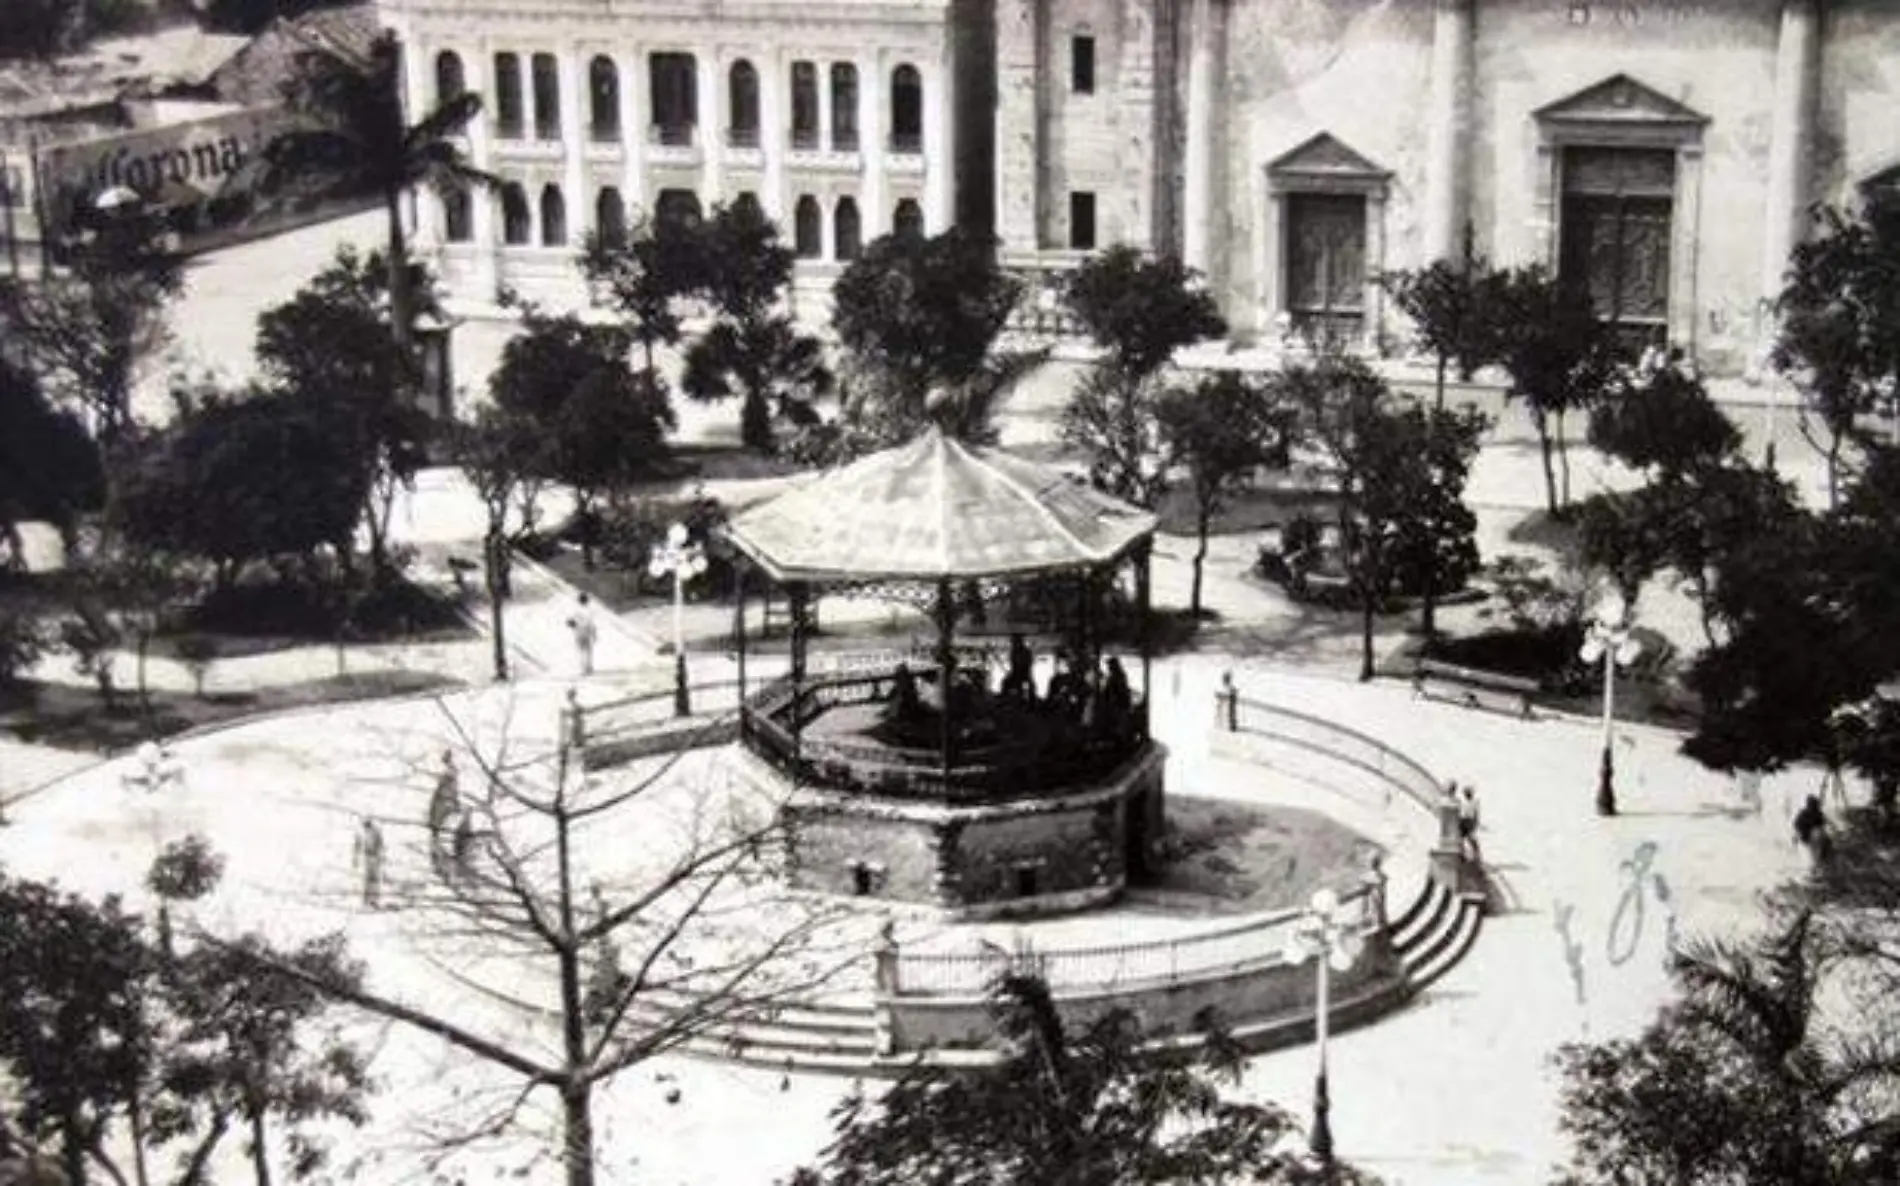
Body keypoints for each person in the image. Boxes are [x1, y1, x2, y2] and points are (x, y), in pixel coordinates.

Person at [352, 817, 385, 909]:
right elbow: (357, 846)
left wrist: (381, 856)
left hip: (374, 856)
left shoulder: (376, 831)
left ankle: (374, 899)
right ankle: (366, 899)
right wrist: (356, 858)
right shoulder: (360, 833)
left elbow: (380, 844)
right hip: (365, 856)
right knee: (366, 879)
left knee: (374, 878)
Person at [566, 593, 599, 677]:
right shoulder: (589, 611)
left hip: (578, 632)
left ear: (579, 601)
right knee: (588, 650)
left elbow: (569, 621)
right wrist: (594, 634)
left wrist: (574, 627)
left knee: (581, 651)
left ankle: (583, 669)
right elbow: (591, 623)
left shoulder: (574, 610)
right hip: (587, 631)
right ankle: (589, 667)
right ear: (586, 601)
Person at [1793, 794, 1831, 867]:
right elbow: (1797, 826)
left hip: (1817, 838)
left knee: (1824, 841)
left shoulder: (1818, 813)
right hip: (1807, 837)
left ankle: (1824, 859)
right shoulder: (1803, 814)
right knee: (1814, 853)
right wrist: (1797, 837)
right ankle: (1817, 863)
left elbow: (1823, 823)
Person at [1099, 656, 1133, 737]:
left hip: (1119, 703)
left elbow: (1116, 689)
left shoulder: (1118, 676)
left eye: (1109, 665)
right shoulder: (1114, 675)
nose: (1108, 668)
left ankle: (1119, 736)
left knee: (1118, 721)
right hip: (1117, 702)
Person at [1000, 633, 1036, 704]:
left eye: (1014, 642)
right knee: (1005, 682)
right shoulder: (1013, 652)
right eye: (1013, 643)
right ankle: (1004, 698)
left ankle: (1031, 702)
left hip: (1024, 673)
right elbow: (1013, 663)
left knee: (1029, 686)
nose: (1013, 645)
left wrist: (1021, 669)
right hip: (1015, 673)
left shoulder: (1027, 652)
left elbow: (1028, 663)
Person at [1456, 784, 1481, 861]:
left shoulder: (1474, 802)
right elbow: (1460, 812)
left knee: (1471, 838)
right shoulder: (1462, 802)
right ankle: (1462, 853)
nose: (1467, 794)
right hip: (1463, 820)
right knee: (1460, 838)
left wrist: (1475, 822)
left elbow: (1476, 813)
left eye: (1468, 793)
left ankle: (1476, 854)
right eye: (1466, 793)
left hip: (1469, 821)